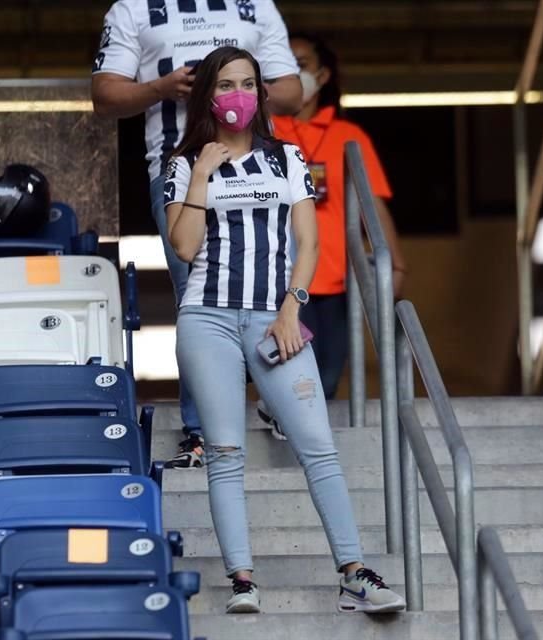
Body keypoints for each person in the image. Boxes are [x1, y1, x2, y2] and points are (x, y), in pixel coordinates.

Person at [164, 45, 406, 615]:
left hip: (276, 319)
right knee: (225, 452)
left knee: (318, 447)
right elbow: (183, 246)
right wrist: (201, 173)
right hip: (208, 319)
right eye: (226, 85)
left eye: (248, 84)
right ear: (208, 95)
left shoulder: (287, 159)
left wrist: (293, 308)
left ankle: (353, 573)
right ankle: (243, 582)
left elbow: (310, 242)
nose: (238, 96)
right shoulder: (182, 165)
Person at [91, 0, 302, 469]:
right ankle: (202, 431)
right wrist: (162, 88)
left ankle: (278, 397)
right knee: (197, 293)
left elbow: (292, 92)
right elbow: (104, 96)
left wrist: (236, 86)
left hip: (258, 165)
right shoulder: (133, 8)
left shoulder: (254, 5)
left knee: (270, 278)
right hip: (178, 166)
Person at [268, 33, 406, 408]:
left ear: (323, 76)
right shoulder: (264, 131)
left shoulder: (348, 136)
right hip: (282, 274)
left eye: (302, 65)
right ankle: (285, 418)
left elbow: (372, 204)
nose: (293, 73)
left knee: (329, 372)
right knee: (289, 365)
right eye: (284, 64)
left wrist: (395, 263)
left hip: (337, 277)